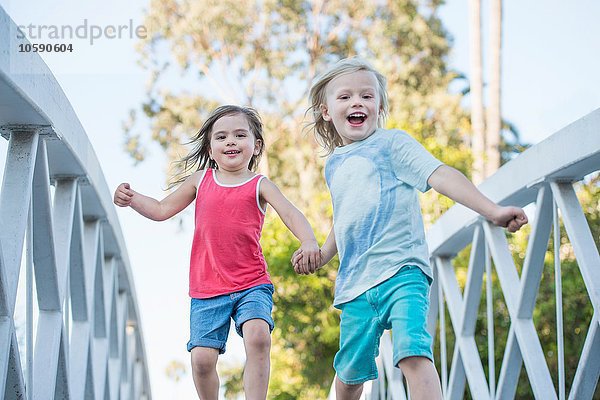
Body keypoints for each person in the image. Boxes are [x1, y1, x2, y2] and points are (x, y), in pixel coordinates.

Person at [292, 57, 528, 400]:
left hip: (404, 271)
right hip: (356, 285)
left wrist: (492, 210)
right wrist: (324, 254)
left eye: (367, 96)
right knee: (349, 375)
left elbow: (442, 175)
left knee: (412, 351)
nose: (357, 102)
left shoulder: (393, 145)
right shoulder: (335, 165)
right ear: (326, 111)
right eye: (344, 97)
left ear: (379, 106)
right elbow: (346, 219)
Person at [114, 105, 320, 400]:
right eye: (221, 137)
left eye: (239, 135)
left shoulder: (259, 184)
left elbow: (289, 212)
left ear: (256, 145)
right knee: (201, 361)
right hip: (207, 289)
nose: (231, 142)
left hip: (252, 283)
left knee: (259, 337)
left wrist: (308, 240)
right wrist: (132, 199)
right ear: (211, 149)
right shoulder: (201, 180)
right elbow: (161, 210)